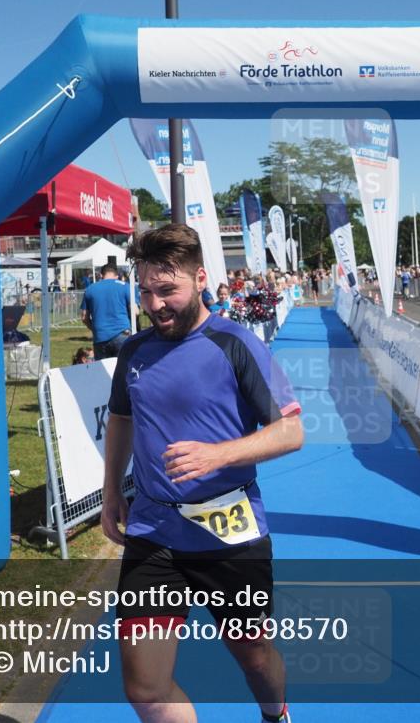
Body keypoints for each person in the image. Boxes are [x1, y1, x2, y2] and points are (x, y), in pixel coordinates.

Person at [101, 224, 303, 723]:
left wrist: (219, 455)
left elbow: (290, 432)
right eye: (146, 291)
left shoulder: (235, 344)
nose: (155, 304)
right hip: (154, 530)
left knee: (254, 660)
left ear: (200, 279)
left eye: (167, 290)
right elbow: (122, 420)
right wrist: (111, 492)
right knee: (145, 688)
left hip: (228, 530)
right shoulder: (134, 350)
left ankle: (275, 711)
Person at [81, 263, 133, 359]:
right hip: (123, 333)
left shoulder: (90, 289)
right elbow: (136, 312)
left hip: (100, 337)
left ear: (101, 275)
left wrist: (95, 329)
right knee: (124, 371)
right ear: (117, 276)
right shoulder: (125, 286)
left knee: (103, 372)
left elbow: (84, 317)